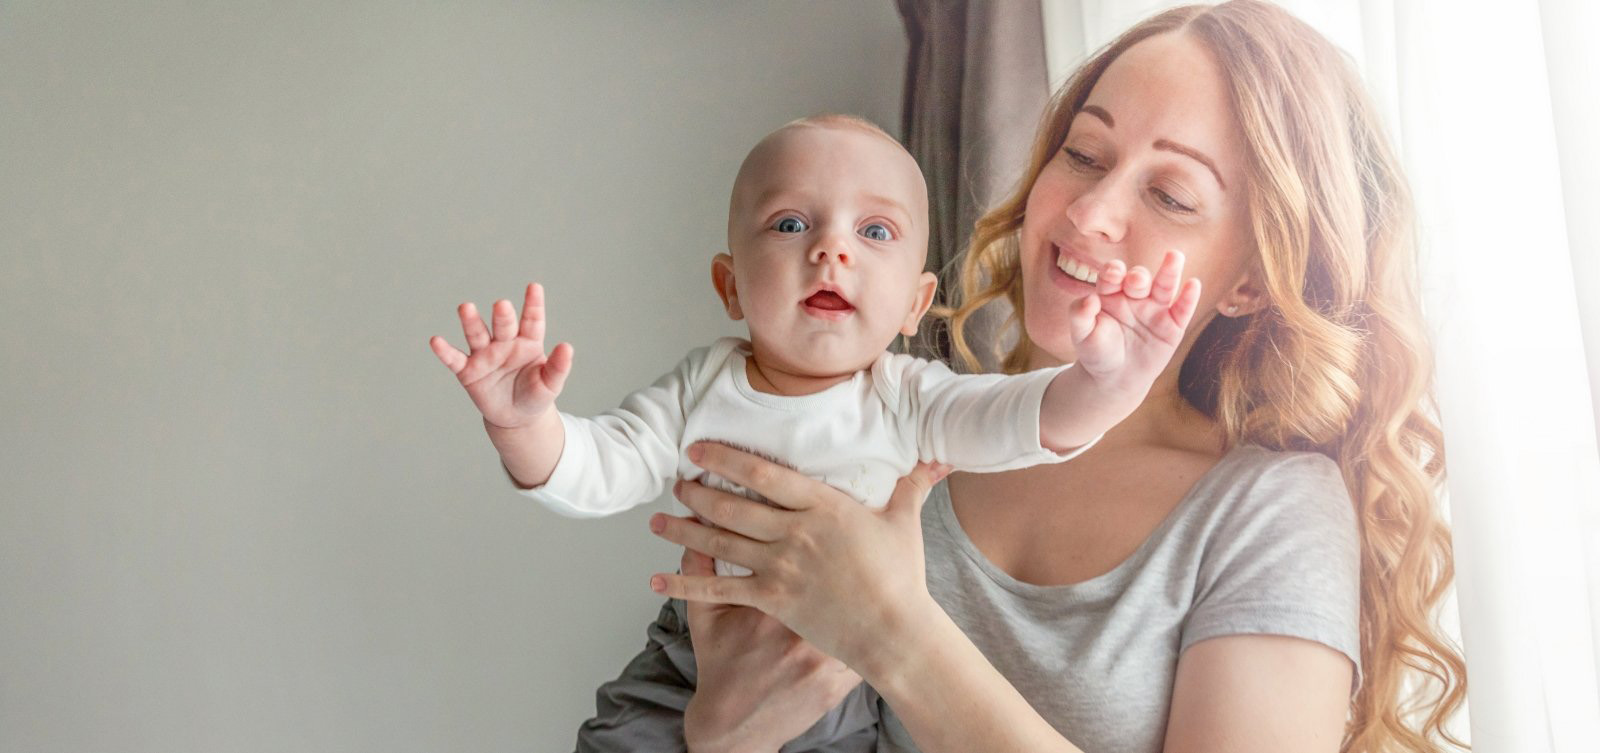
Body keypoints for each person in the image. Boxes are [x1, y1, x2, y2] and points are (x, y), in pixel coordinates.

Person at [580, 2, 1468, 752]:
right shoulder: (896, 415)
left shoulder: (1268, 511)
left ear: (1249, 279)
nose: (1089, 212)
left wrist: (894, 631)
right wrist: (721, 731)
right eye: (1083, 154)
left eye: (1170, 195)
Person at [430, 114, 1204, 744]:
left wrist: (1106, 384)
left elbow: (1015, 420)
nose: (831, 249)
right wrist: (525, 424)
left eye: (875, 232)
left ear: (914, 302)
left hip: (844, 692)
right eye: (792, 222)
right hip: (685, 667)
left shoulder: (909, 397)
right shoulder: (702, 386)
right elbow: (599, 469)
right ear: (731, 285)